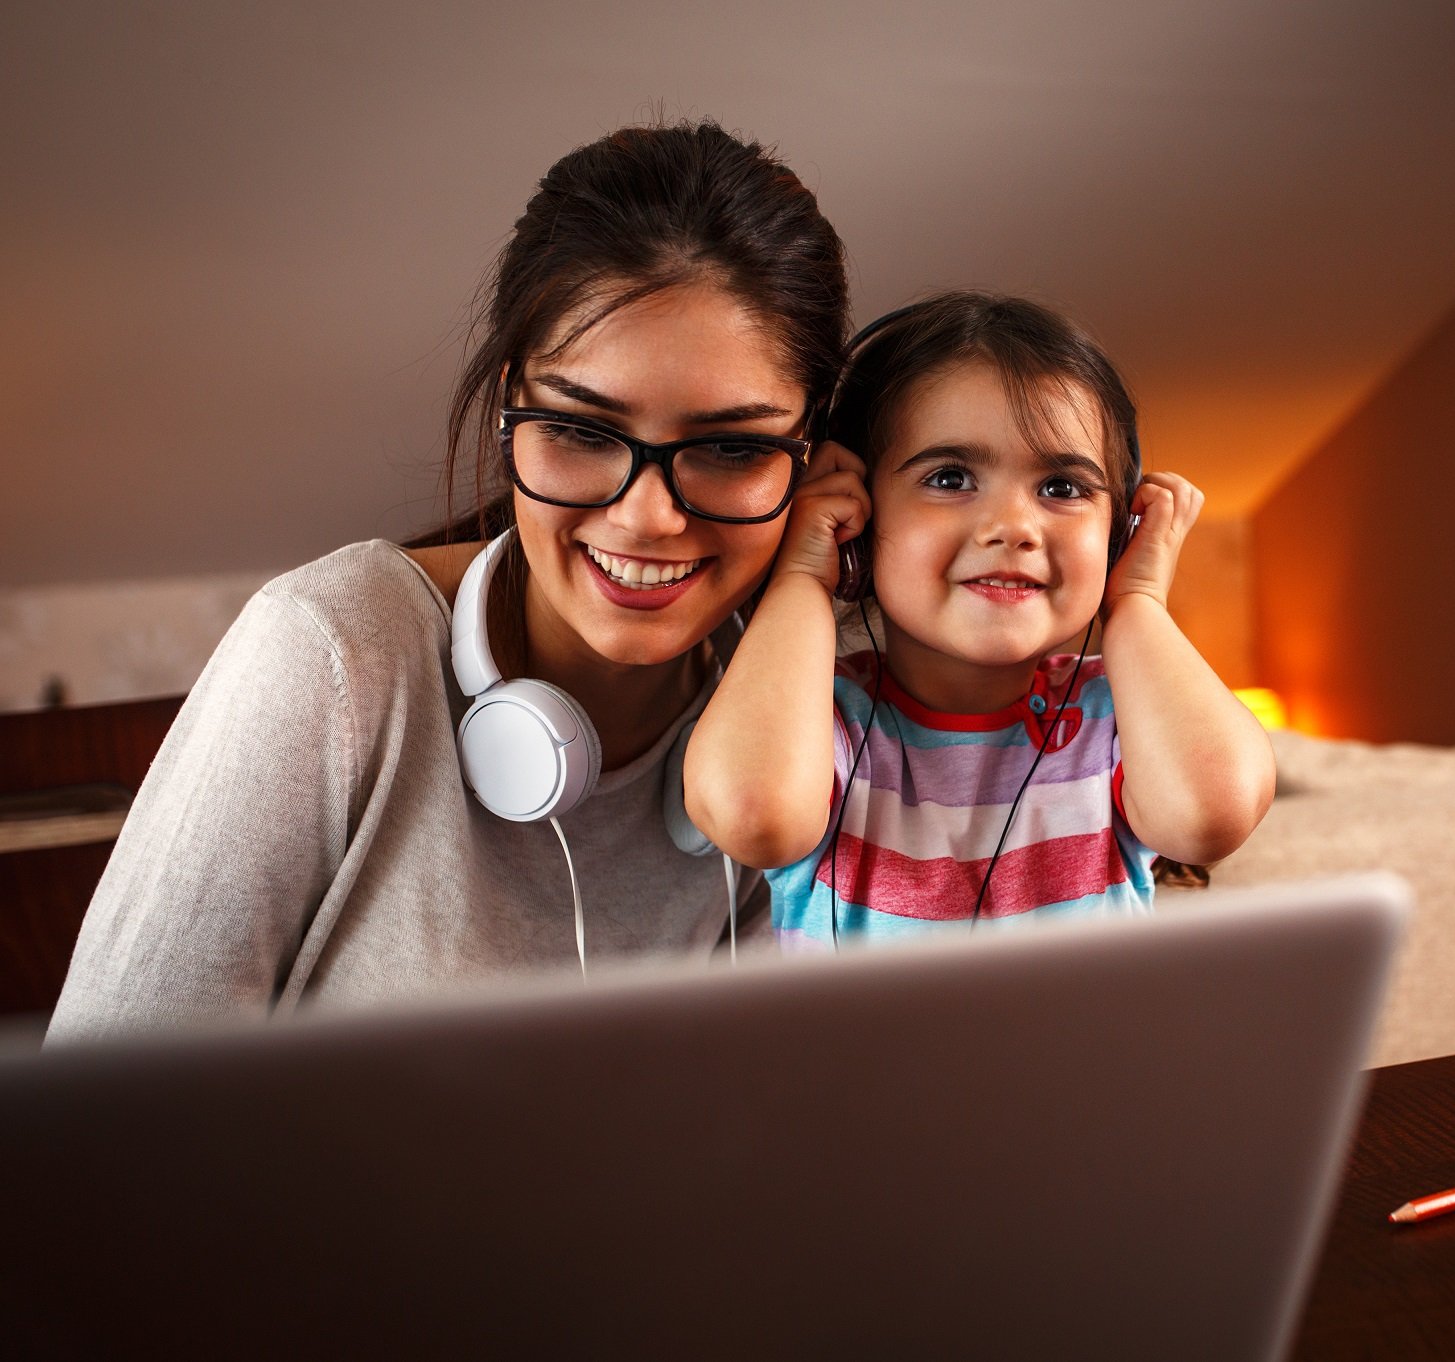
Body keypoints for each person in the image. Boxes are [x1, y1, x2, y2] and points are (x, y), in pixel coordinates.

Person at [48, 120, 849, 1039]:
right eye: (584, 432)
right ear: (511, 408)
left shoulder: (799, 713)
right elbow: (94, 1148)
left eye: (729, 448)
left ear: (813, 455)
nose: (648, 517)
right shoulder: (332, 652)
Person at [684, 291, 1274, 947]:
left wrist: (1136, 600)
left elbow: (1213, 814)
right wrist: (802, 575)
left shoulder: (1115, 717)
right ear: (858, 516)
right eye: (949, 477)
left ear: (1116, 534)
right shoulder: (819, 722)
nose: (1014, 527)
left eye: (1061, 488)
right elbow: (749, 813)